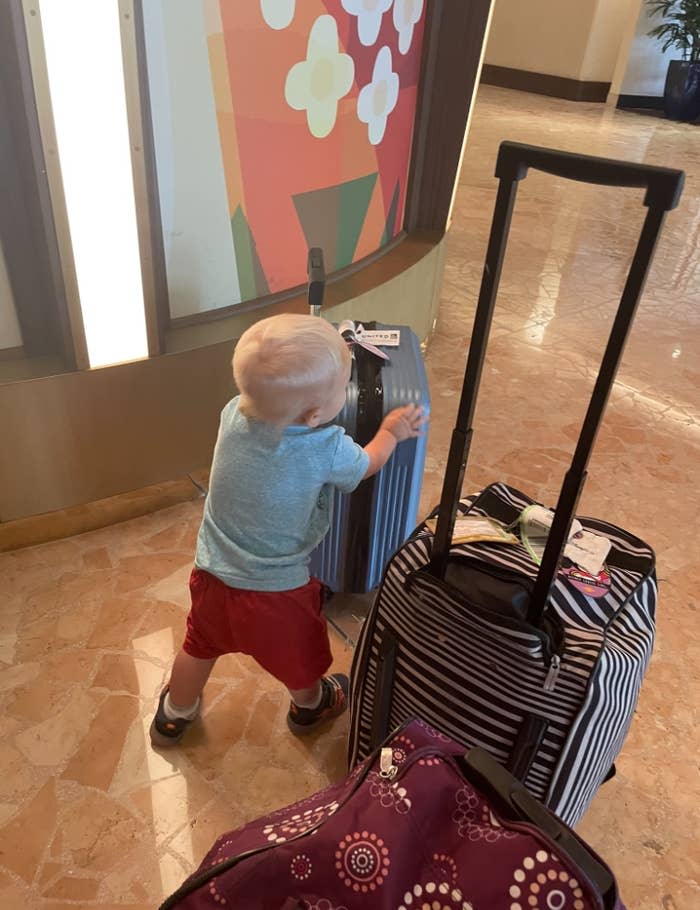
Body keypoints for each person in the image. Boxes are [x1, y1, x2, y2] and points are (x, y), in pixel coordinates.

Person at [150, 313, 426, 746]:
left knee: (198, 645)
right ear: (316, 414)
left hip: (212, 574)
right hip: (277, 594)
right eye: (343, 388)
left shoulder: (233, 415)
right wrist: (391, 431)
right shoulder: (325, 446)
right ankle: (311, 705)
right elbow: (367, 464)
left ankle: (174, 713)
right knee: (297, 656)